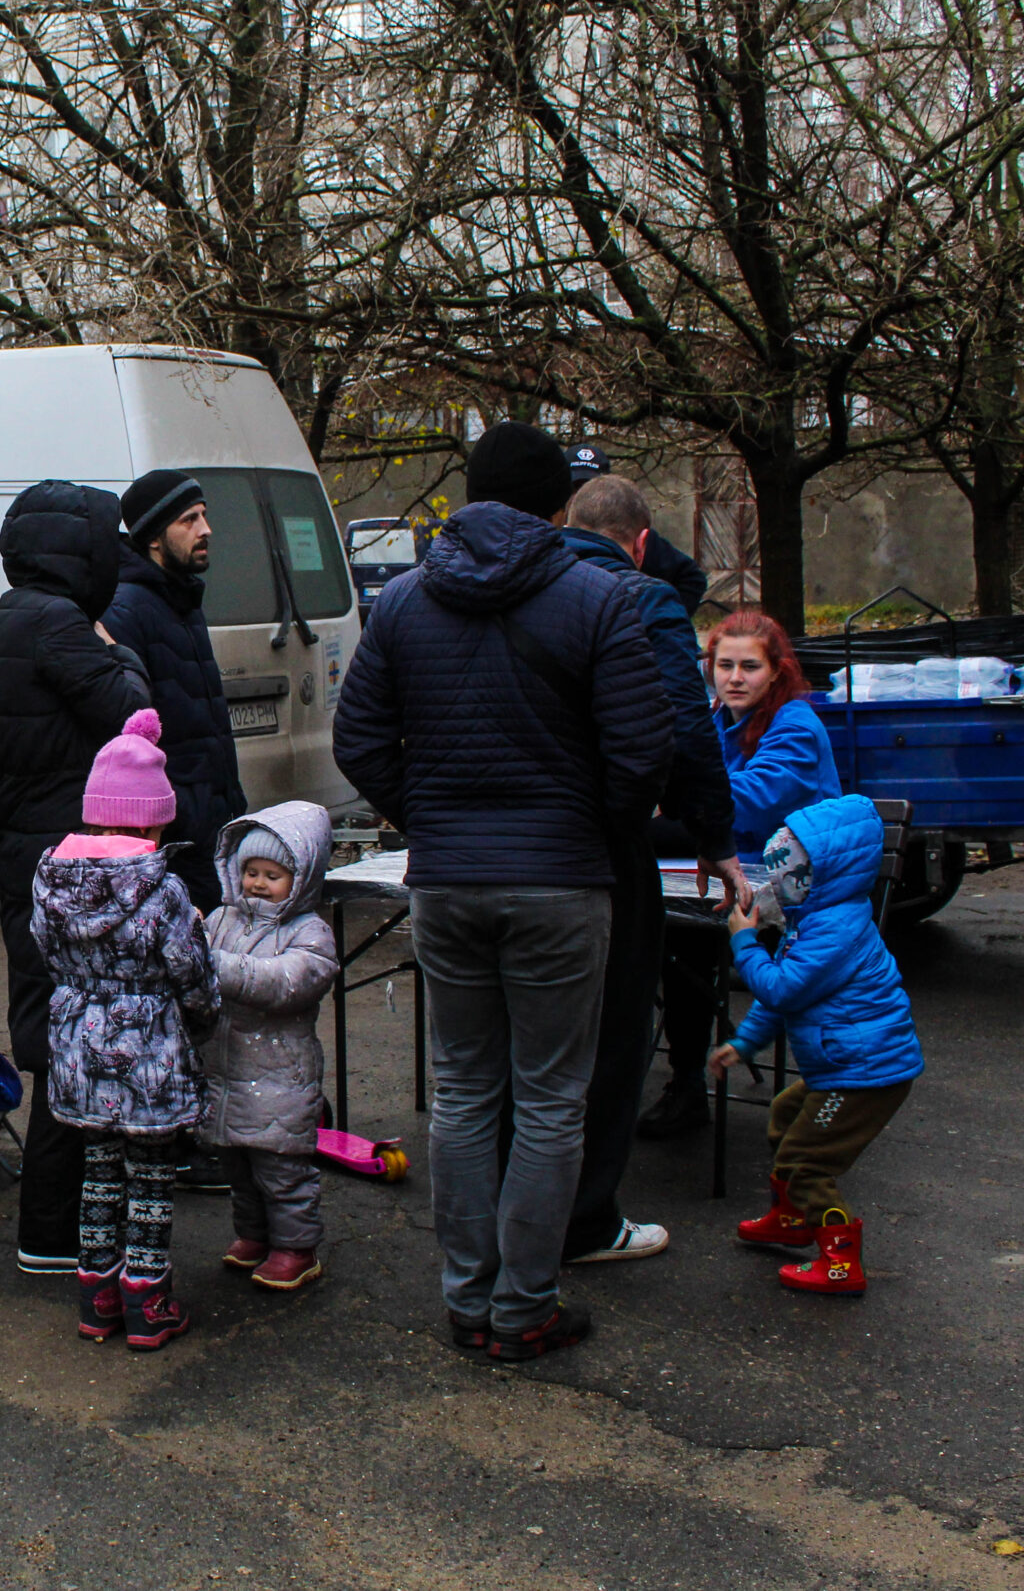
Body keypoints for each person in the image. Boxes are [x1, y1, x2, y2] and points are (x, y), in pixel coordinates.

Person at [333, 420, 671, 1362]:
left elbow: (357, 741)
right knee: (553, 1097)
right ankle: (525, 1306)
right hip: (562, 883)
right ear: (558, 504)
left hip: (448, 884)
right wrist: (587, 828)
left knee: (466, 1092)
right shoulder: (602, 598)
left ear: (467, 496)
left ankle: (468, 1299)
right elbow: (643, 752)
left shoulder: (402, 602)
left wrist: (430, 819)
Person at [555, 475, 747, 1265]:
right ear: (641, 542)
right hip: (607, 846)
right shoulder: (644, 598)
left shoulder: (493, 589)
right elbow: (684, 732)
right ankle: (587, 1220)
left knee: (510, 1052)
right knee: (615, 1033)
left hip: (501, 851)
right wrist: (712, 836)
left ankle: (506, 1219)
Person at [0, 480, 151, 1275]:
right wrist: (120, 648)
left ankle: (57, 1222)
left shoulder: (18, 612)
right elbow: (133, 714)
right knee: (68, 1036)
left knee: (59, 1026)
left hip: (34, 841)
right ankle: (50, 1230)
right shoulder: (58, 622)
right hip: (68, 853)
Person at [35, 708, 219, 1350]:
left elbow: (43, 949)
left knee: (98, 1169)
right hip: (150, 1054)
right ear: (157, 816)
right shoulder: (164, 891)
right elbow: (190, 975)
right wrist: (204, 1015)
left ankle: (98, 1298)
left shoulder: (50, 879)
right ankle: (149, 1301)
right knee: (151, 1179)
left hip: (78, 1049)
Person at [641, 610, 840, 1139]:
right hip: (729, 865)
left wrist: (662, 807)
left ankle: (685, 1084)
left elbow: (744, 803)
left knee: (628, 849)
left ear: (776, 671)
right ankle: (685, 1084)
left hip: (797, 886)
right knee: (671, 934)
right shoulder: (717, 718)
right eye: (723, 665)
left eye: (749, 667)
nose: (733, 678)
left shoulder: (794, 724)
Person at [711, 796, 922, 1295]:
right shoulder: (814, 923)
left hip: (866, 1074)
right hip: (846, 1066)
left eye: (787, 878)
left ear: (818, 878)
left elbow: (781, 989)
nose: (777, 886)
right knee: (785, 1114)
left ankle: (841, 1261)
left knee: (809, 1161)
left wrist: (744, 941)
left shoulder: (834, 931)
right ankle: (792, 1219)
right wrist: (745, 1043)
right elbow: (787, 998)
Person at [198, 801, 338, 1293]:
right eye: (250, 872)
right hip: (227, 1072)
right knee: (237, 1165)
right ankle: (254, 1236)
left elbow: (284, 985)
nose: (257, 883)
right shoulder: (220, 920)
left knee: (281, 1170)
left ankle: (297, 1247)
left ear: (300, 879)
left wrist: (213, 964)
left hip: (280, 1077)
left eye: (272, 875)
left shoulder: (310, 933)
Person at [104, 469, 244, 913]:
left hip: (212, 823)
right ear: (153, 537)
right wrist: (180, 812)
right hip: (177, 837)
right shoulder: (128, 607)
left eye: (203, 515)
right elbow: (128, 730)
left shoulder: (181, 599)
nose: (206, 530)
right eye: (188, 520)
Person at [566, 445, 709, 611]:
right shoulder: (545, 531)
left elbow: (691, 578)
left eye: (590, 487)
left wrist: (660, 616)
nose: (582, 496)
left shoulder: (631, 535)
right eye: (576, 487)